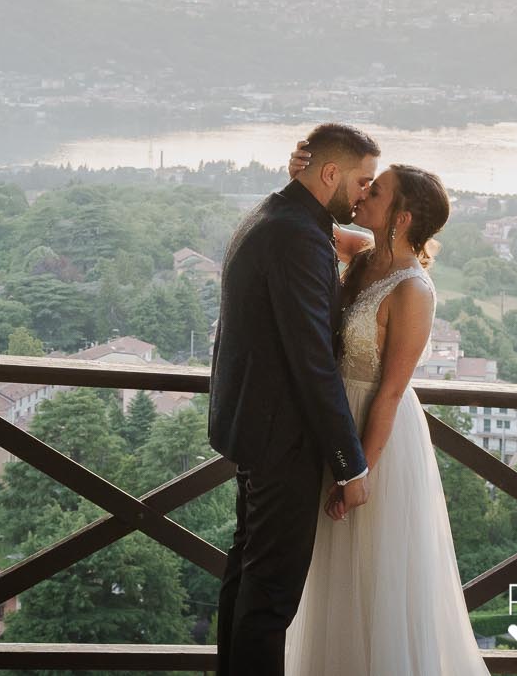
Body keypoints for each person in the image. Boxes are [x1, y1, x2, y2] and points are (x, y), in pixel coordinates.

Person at [281, 150, 489, 676]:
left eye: (375, 190)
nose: (363, 193)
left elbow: (392, 393)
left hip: (376, 436)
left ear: (402, 217)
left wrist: (359, 470)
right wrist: (301, 176)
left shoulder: (413, 290)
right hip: (335, 423)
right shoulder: (363, 254)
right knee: (333, 573)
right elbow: (309, 226)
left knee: (374, 572)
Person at [209, 122, 378, 676]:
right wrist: (351, 464)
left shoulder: (280, 215)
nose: (364, 194)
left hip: (255, 428)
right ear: (330, 173)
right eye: (362, 181)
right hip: (281, 438)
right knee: (271, 598)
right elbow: (312, 362)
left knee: (248, 576)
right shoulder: (297, 237)